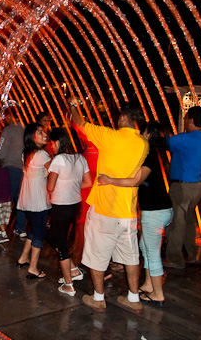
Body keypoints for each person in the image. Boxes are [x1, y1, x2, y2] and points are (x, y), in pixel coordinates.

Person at [69, 97, 149, 313]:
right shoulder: (143, 143)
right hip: (128, 211)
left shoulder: (109, 136)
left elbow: (79, 123)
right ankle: (134, 298)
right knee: (131, 256)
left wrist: (74, 105)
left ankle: (98, 297)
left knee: (96, 254)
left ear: (124, 117)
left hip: (105, 209)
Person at [98, 121, 173, 306]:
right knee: (145, 247)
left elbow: (135, 181)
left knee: (152, 252)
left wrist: (110, 180)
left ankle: (158, 294)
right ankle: (148, 284)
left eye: (143, 132)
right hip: (161, 208)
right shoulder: (157, 154)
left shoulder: (149, 155)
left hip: (155, 211)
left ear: (149, 135)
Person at [46, 126, 93, 296]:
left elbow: (50, 187)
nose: (51, 146)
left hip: (61, 206)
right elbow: (88, 183)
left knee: (61, 244)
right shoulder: (80, 159)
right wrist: (72, 186)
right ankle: (73, 270)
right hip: (75, 206)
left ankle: (68, 284)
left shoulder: (58, 161)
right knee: (55, 238)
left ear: (58, 142)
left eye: (52, 143)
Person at [164, 106, 201, 269]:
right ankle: (195, 254)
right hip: (196, 186)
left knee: (177, 222)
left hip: (182, 187)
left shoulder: (185, 139)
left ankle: (175, 258)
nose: (184, 121)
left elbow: (164, 143)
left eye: (185, 118)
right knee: (189, 221)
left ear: (190, 119)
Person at [16, 123, 52, 278]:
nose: (44, 134)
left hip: (27, 200)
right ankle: (33, 268)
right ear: (32, 136)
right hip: (38, 201)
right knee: (39, 233)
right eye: (40, 132)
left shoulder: (26, 154)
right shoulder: (42, 155)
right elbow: (56, 171)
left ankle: (23, 257)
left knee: (33, 229)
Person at [0, 107, 27, 238]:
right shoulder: (27, 130)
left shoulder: (8, 130)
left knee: (5, 199)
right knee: (21, 200)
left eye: (6, 117)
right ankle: (21, 227)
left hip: (10, 168)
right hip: (24, 170)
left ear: (10, 117)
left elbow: (1, 152)